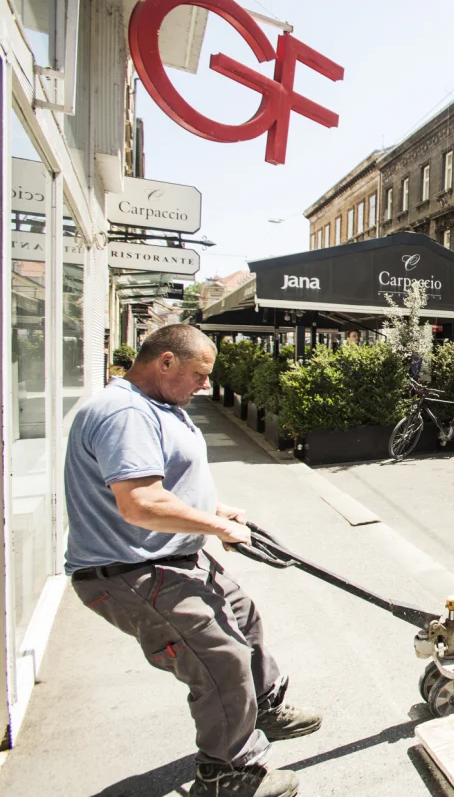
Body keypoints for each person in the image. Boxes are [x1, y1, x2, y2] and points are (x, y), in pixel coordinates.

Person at [65, 324, 320, 797]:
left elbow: (167, 486)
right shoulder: (125, 412)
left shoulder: (157, 405)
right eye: (200, 374)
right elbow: (140, 502)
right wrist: (218, 527)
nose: (206, 385)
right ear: (165, 363)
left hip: (172, 556)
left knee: (242, 615)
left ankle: (260, 709)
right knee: (220, 659)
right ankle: (227, 773)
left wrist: (212, 511)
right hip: (131, 569)